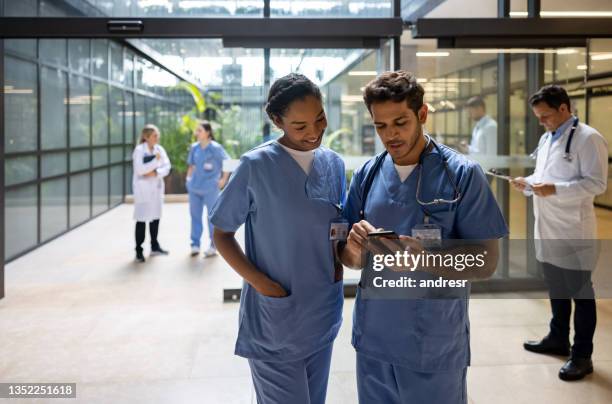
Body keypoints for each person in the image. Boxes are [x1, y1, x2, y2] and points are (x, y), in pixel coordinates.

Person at [339, 71, 508, 404]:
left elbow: (487, 262)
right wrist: (355, 251)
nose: (391, 135)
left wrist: (425, 260)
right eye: (380, 126)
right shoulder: (368, 175)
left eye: (400, 122)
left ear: (422, 114)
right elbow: (348, 258)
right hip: (375, 340)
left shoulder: (461, 175)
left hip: (433, 342)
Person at [210, 73, 346, 404]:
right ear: (276, 120)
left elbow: (338, 230)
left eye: (320, 119)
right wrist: (261, 283)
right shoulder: (255, 167)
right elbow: (222, 233)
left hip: (322, 310)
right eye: (300, 126)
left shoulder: (334, 165)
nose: (313, 132)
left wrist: (340, 265)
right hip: (277, 319)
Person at [511, 85, 608, 381]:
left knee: (581, 293)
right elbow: (545, 178)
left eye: (546, 116)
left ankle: (582, 356)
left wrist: (555, 190)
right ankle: (557, 339)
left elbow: (597, 184)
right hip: (548, 227)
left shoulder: (589, 138)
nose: (542, 122)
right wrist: (527, 183)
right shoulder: (547, 137)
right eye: (538, 117)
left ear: (564, 108)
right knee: (556, 288)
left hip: (574, 231)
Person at [186, 121, 230, 258]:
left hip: (211, 189)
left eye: (199, 130)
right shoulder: (195, 148)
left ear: (208, 132)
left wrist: (223, 180)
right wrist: (188, 180)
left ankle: (213, 245)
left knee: (212, 218)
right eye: (196, 131)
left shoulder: (216, 148)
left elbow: (229, 163)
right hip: (194, 188)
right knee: (195, 216)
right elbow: (191, 165)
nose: (196, 133)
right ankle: (195, 244)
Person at [132, 124, 172, 262]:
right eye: (155, 135)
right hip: (143, 191)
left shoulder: (159, 149)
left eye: (158, 135)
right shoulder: (139, 150)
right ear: (146, 137)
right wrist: (156, 161)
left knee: (155, 218)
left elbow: (167, 167)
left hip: (156, 189)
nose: (157, 138)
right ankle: (139, 250)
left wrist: (155, 172)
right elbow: (140, 170)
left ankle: (155, 246)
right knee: (142, 220)